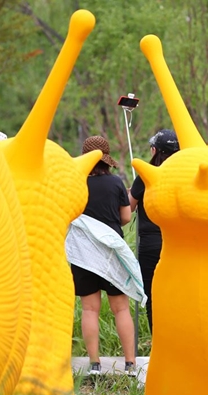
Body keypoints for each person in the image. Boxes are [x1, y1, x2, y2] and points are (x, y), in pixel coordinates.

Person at [71, 135, 136, 376]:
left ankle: (95, 364)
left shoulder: (76, 183)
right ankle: (130, 365)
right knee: (121, 309)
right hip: (110, 251)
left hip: (83, 252)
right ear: (107, 159)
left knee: (90, 309)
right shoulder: (116, 183)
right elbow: (126, 217)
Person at [128, 129, 180, 335]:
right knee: (177, 294)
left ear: (155, 151)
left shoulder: (146, 175)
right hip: (177, 244)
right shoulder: (183, 174)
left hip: (150, 245)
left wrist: (132, 192)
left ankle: (158, 341)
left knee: (152, 295)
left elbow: (129, 208)